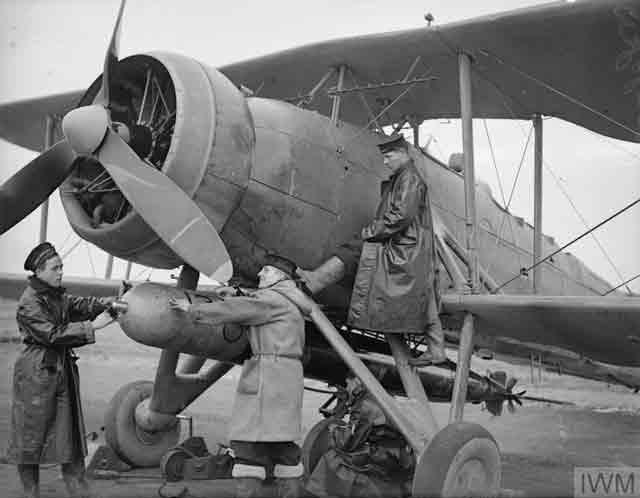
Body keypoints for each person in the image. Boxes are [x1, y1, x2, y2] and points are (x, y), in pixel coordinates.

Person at [169, 254, 310, 498]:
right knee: (283, 445)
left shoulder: (272, 299)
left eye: (266, 271)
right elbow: (252, 305)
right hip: (285, 377)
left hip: (268, 376)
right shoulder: (291, 300)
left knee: (247, 446)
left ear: (280, 276)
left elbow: (238, 310)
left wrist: (193, 309)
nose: (259, 275)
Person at [300, 135, 445, 365]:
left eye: (389, 157)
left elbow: (400, 216)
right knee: (423, 296)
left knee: (355, 248)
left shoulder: (409, 179)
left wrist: (370, 232)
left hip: (404, 249)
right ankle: (437, 348)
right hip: (408, 247)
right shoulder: (404, 177)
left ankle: (313, 282)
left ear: (403, 154)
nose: (385, 162)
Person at [7, 242, 116, 498]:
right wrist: (94, 327)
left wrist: (111, 303)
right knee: (31, 437)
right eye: (55, 268)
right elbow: (52, 335)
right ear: (39, 271)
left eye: (61, 267)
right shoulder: (29, 302)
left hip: (59, 371)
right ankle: (30, 493)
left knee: (70, 435)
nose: (61, 272)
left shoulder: (55, 296)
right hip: (37, 374)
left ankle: (77, 487)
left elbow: (82, 304)